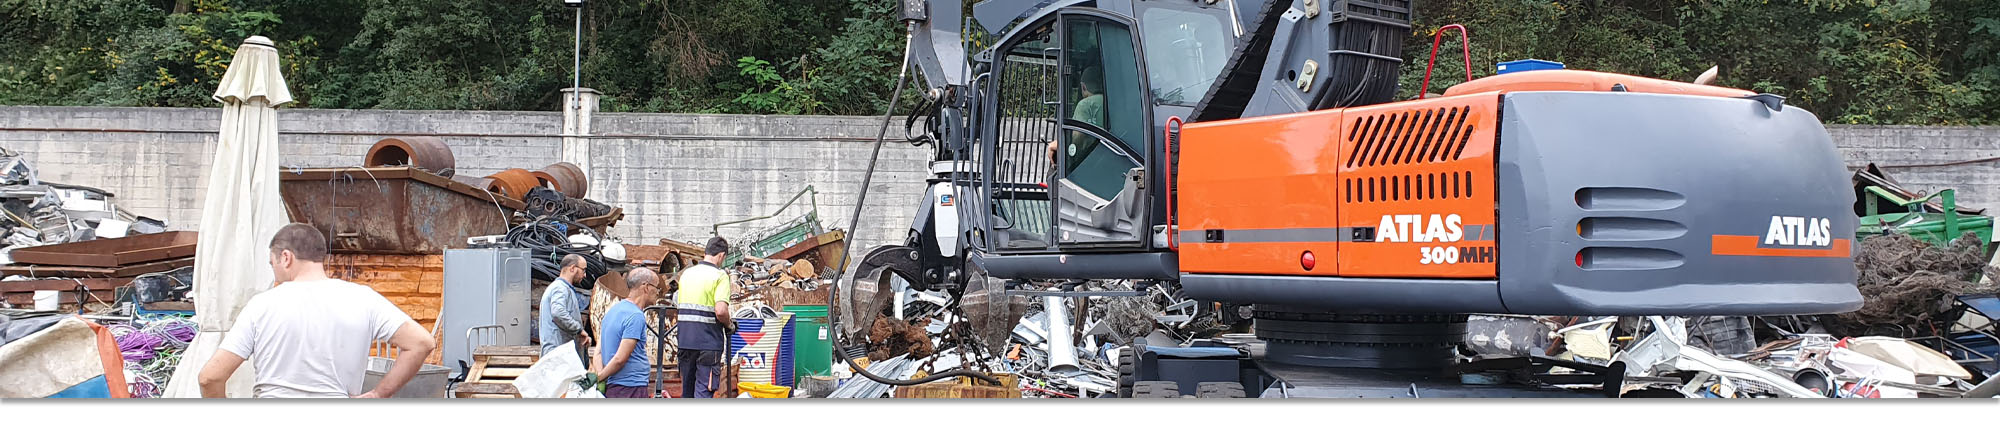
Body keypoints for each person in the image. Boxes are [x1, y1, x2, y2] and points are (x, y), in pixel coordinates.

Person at [198, 223, 435, 398]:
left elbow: (210, 377)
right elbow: (421, 343)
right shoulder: (363, 299)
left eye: (273, 264)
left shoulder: (261, 305)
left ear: (286, 258)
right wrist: (378, 394)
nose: (274, 272)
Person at [674, 236, 735, 398]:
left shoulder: (687, 274)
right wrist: (729, 325)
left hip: (685, 340)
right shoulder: (720, 276)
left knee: (687, 392)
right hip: (708, 343)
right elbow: (721, 311)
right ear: (721, 255)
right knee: (703, 391)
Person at [593, 268, 660, 398]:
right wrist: (599, 378)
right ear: (646, 287)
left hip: (614, 386)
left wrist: (601, 375)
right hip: (630, 387)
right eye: (656, 288)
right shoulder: (635, 316)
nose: (658, 293)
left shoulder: (613, 310)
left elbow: (598, 353)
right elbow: (620, 359)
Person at [1047, 66, 1107, 171]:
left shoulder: (1086, 104)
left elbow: (1078, 137)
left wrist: (1059, 144)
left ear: (1083, 87)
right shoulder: (1112, 103)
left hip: (1088, 164)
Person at [539, 254, 592, 360]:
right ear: (572, 268)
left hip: (560, 355)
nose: (585, 275)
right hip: (557, 356)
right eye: (583, 270)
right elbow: (558, 313)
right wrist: (579, 330)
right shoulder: (560, 289)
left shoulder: (563, 288)